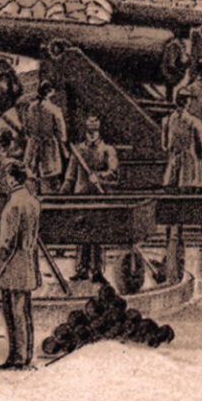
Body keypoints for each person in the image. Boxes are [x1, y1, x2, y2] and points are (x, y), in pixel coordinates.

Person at [0, 160, 43, 370]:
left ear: (11, 179)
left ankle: (17, 358)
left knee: (14, 314)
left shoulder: (12, 206)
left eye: (6, 177)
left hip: (13, 268)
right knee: (24, 313)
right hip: (27, 264)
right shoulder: (33, 201)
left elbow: (5, 244)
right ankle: (23, 355)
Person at [66, 115, 120, 284]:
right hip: (80, 196)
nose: (91, 134)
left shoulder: (107, 150)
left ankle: (96, 271)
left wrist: (100, 177)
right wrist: (62, 195)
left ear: (98, 131)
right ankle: (82, 269)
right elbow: (70, 176)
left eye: (94, 131)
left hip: (98, 196)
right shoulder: (78, 150)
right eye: (89, 131)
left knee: (97, 233)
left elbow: (114, 173)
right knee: (82, 233)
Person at [20, 81, 69, 192]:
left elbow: (26, 128)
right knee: (49, 177)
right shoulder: (54, 109)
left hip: (32, 144)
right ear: (50, 92)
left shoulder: (30, 108)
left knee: (31, 175)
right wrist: (62, 142)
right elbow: (61, 132)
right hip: (48, 146)